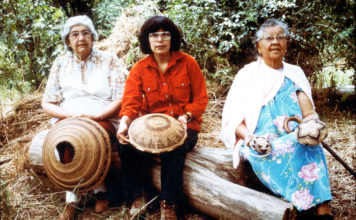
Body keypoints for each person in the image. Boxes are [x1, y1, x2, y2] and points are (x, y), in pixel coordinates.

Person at [220, 19, 333, 219]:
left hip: (296, 135)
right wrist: (249, 139)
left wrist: (311, 126)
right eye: (269, 38)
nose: (275, 42)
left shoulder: (294, 73)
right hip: (262, 141)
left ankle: (323, 209)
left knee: (307, 144)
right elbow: (233, 118)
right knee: (285, 148)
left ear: (287, 43)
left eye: (280, 37)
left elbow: (309, 114)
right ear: (258, 46)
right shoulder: (247, 75)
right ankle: (305, 207)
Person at [116, 15, 208, 219]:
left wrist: (186, 116)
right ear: (146, 40)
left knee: (175, 147)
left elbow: (201, 99)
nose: (160, 40)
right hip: (150, 129)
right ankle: (138, 195)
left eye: (165, 34)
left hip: (185, 124)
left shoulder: (188, 63)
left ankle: (169, 201)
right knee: (125, 144)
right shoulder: (139, 68)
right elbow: (131, 103)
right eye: (154, 35)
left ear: (172, 38)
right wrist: (124, 124)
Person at [41, 15, 127, 219]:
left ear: (93, 37)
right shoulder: (60, 63)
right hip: (69, 117)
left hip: (102, 116)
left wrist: (97, 116)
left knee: (93, 138)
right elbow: (47, 102)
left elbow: (120, 98)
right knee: (64, 139)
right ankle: (72, 199)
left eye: (85, 33)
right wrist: (69, 116)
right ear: (68, 41)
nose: (81, 38)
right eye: (75, 34)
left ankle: (100, 193)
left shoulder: (109, 60)